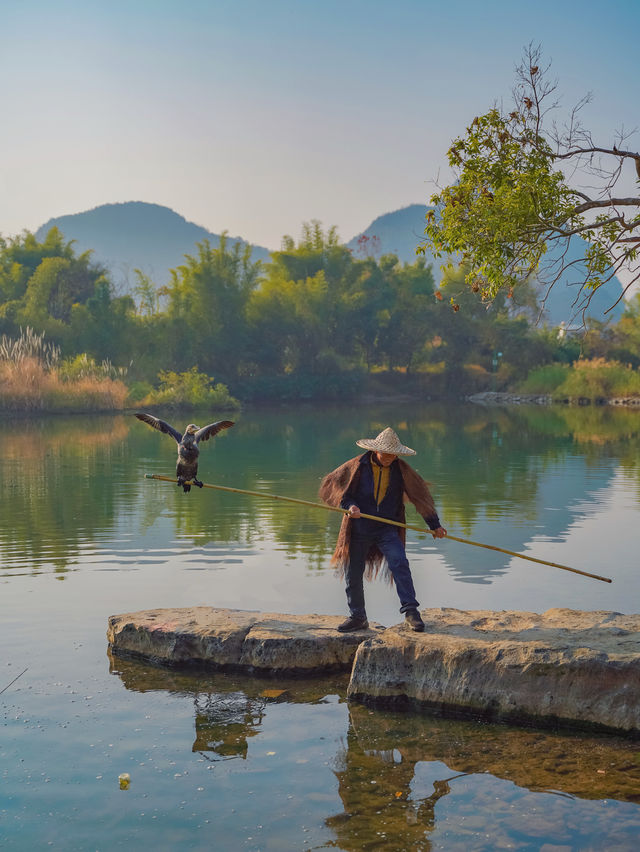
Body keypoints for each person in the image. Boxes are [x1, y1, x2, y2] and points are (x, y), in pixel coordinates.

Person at [319, 427, 446, 633]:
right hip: (359, 528)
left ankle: (411, 612)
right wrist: (350, 507)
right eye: (385, 454)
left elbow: (420, 496)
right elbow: (343, 493)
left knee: (400, 563)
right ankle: (358, 617)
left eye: (392, 454)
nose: (388, 458)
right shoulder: (357, 467)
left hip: (388, 528)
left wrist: (435, 525)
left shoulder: (401, 470)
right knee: (353, 572)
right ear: (375, 451)